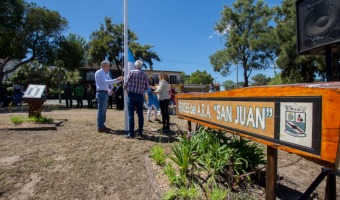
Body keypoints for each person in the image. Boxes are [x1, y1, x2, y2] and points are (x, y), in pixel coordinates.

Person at [95, 60, 124, 133]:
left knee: (104, 111)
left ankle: (102, 125)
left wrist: (119, 80)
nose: (109, 68)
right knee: (101, 110)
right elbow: (105, 82)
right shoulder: (98, 73)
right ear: (104, 66)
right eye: (108, 66)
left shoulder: (105, 74)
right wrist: (117, 79)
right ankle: (100, 127)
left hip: (105, 93)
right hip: (101, 93)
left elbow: (111, 81)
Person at [124, 60, 149, 138]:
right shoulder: (144, 75)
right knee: (140, 115)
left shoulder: (131, 72)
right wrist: (141, 89)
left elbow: (125, 84)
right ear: (141, 66)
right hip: (140, 96)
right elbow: (146, 87)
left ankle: (131, 133)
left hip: (131, 95)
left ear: (135, 66)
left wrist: (127, 91)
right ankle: (140, 133)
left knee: (131, 114)